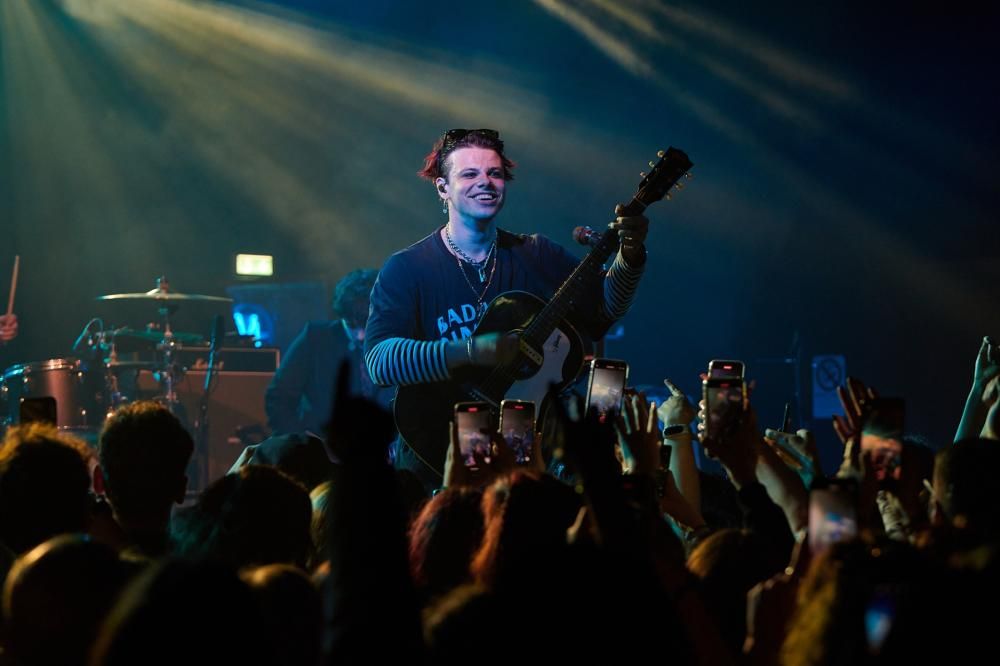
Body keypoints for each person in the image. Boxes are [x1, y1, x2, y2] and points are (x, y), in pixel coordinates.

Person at [365, 128, 650, 485]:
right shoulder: (407, 268)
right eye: (469, 174)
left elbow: (605, 310)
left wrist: (631, 256)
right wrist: (471, 351)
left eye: (494, 173)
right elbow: (380, 362)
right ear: (442, 187)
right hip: (435, 457)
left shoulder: (535, 254)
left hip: (521, 459)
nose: (484, 182)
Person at [265, 268, 389, 436]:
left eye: (365, 324)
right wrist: (301, 441)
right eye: (351, 325)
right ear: (341, 316)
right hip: (324, 446)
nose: (360, 335)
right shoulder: (316, 338)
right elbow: (278, 397)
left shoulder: (396, 342)